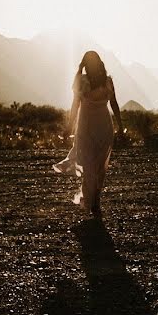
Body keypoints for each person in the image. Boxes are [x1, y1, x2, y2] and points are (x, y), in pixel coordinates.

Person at [53, 50, 124, 216]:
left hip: (104, 128)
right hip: (86, 128)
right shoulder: (81, 81)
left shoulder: (108, 81)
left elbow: (114, 104)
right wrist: (70, 127)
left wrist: (120, 126)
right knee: (90, 167)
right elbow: (75, 105)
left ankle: (95, 202)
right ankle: (92, 201)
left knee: (100, 167)